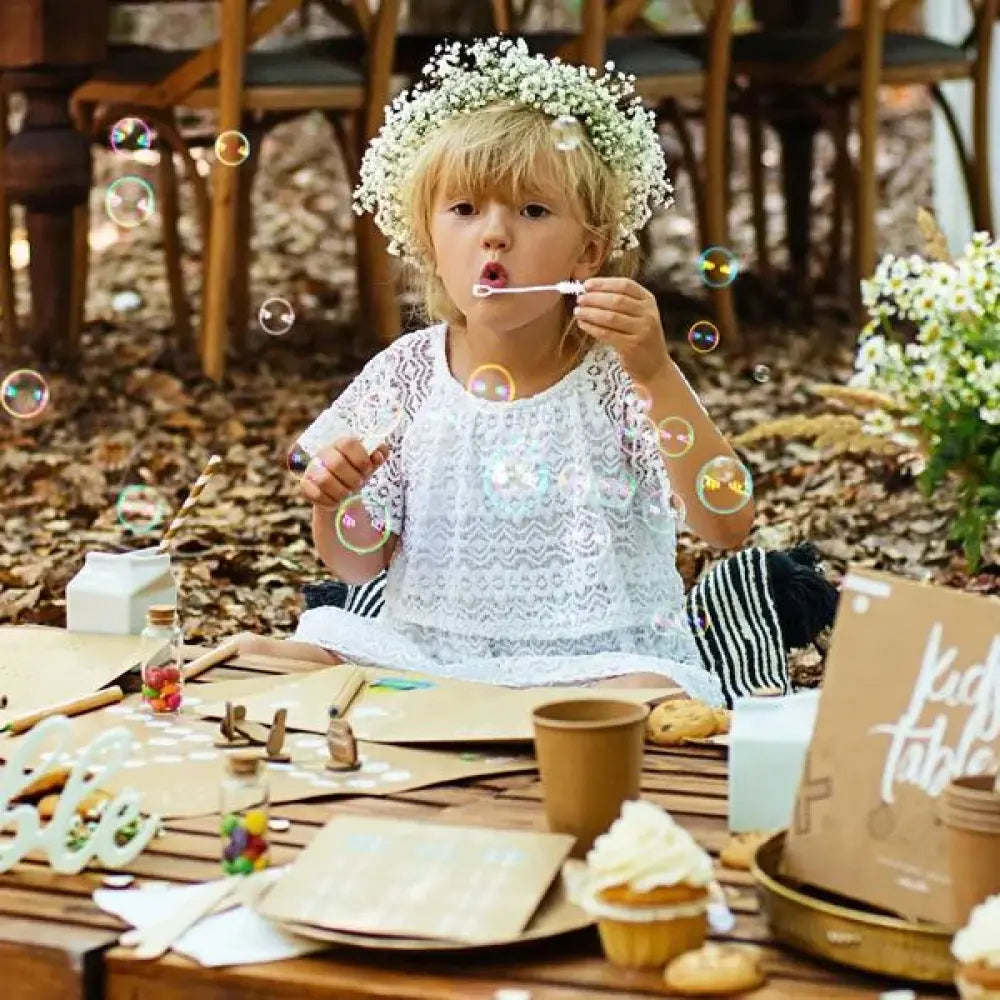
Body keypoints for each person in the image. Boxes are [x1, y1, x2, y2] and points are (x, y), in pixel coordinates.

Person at [231, 38, 839, 704]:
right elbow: (358, 564)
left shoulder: (619, 377)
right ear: (429, 242)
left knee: (651, 697)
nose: (494, 234)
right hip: (434, 652)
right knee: (264, 657)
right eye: (464, 210)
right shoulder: (405, 375)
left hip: (598, 659)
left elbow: (727, 524)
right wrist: (336, 501)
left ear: (588, 252)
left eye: (532, 210)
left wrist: (657, 372)